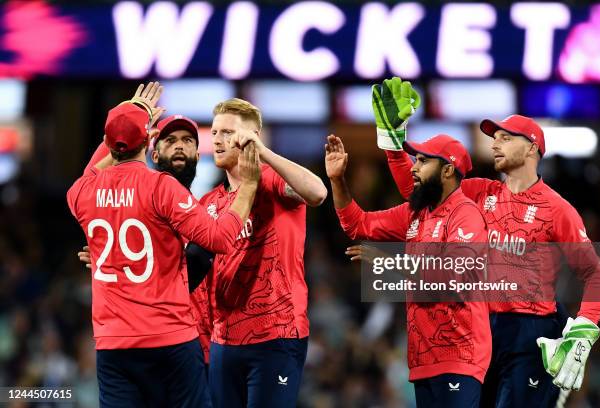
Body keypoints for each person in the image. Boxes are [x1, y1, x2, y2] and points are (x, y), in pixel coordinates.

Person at [373, 77, 600, 407]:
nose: (495, 144)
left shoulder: (557, 209)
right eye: (494, 138)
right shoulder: (478, 192)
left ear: (531, 148)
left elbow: (595, 275)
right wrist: (392, 143)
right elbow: (418, 196)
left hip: (530, 334)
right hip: (477, 328)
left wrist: (583, 328)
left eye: (505, 137)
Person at [66, 89, 261, 407]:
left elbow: (91, 173)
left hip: (113, 344)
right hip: (169, 339)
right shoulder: (161, 186)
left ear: (108, 142)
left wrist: (123, 126)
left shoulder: (80, 193)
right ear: (149, 143)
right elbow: (220, 239)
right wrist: (249, 187)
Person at [326, 132, 491, 407]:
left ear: (448, 170)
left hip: (460, 354)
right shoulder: (415, 214)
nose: (413, 167)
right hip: (422, 357)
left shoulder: (466, 213)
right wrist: (337, 180)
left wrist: (389, 260)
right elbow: (357, 224)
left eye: (423, 161)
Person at [197, 97, 327, 408]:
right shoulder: (209, 203)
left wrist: (264, 153)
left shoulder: (273, 181)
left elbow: (318, 192)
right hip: (224, 340)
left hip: (276, 333)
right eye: (215, 132)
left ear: (251, 136)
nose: (217, 140)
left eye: (228, 133)